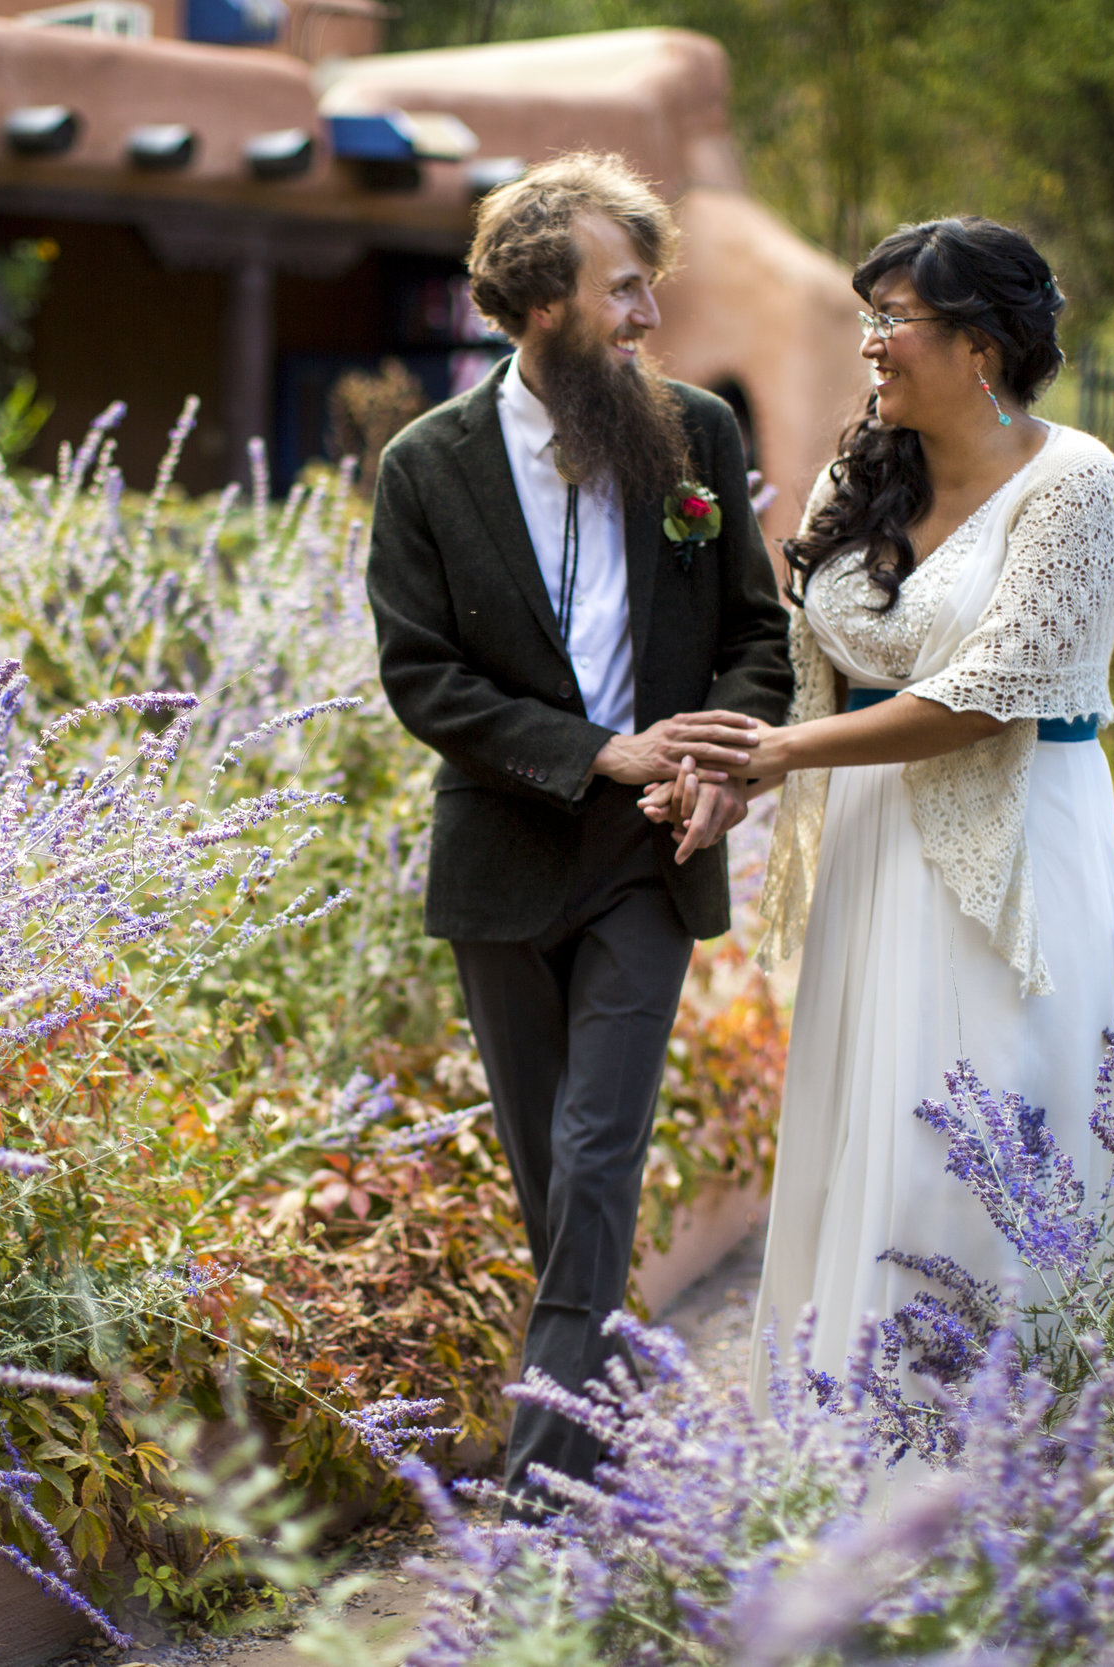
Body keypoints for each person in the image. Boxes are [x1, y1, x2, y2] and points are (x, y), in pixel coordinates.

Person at [649, 216, 1114, 1395]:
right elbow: (809, 644)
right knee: (868, 1127)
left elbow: (986, 698)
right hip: (874, 845)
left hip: (1014, 842)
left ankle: (1003, 1443)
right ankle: (855, 1436)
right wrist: (722, 757)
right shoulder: (864, 470)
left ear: (980, 344)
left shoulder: (1074, 483)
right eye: (867, 318)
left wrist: (776, 754)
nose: (870, 345)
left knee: (976, 1132)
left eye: (892, 320)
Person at [365, 152, 793, 1501]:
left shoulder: (701, 436)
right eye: (624, 289)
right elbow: (422, 676)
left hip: (650, 853)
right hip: (505, 849)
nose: (650, 315)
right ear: (539, 303)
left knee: (602, 1149)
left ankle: (540, 1488)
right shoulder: (426, 465)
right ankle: (611, 1437)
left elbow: (754, 641)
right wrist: (600, 749)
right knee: (556, 1179)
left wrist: (716, 763)